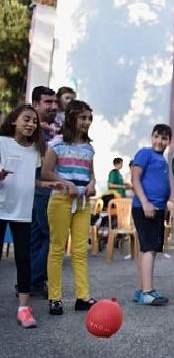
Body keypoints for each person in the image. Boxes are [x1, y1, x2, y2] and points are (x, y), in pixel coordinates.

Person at [0, 106, 62, 328]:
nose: (31, 124)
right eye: (26, 119)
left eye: (34, 121)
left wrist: (47, 183)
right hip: (1, 208)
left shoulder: (36, 150)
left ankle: (24, 309)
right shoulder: (2, 143)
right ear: (14, 121)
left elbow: (29, 179)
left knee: (24, 260)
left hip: (23, 212)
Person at [42, 100, 97, 315]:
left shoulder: (89, 148)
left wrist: (92, 184)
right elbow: (46, 172)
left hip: (83, 203)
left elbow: (90, 174)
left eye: (89, 118)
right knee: (57, 248)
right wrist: (67, 184)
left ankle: (82, 296)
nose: (87, 122)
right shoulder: (56, 144)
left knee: (80, 250)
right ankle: (55, 298)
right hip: (61, 201)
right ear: (72, 118)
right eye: (83, 118)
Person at [130, 124, 172, 306]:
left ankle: (142, 289)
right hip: (145, 208)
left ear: (169, 141)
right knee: (149, 248)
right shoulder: (145, 153)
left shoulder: (162, 159)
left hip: (157, 209)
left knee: (148, 249)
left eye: (164, 138)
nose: (159, 141)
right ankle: (147, 291)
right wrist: (145, 202)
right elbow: (135, 178)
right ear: (151, 136)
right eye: (156, 136)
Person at [29, 86, 58, 297]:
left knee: (39, 238)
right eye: (48, 102)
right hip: (40, 190)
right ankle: (33, 280)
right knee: (51, 236)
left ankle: (33, 282)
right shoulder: (34, 130)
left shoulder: (53, 129)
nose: (53, 106)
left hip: (41, 190)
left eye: (54, 102)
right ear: (36, 104)